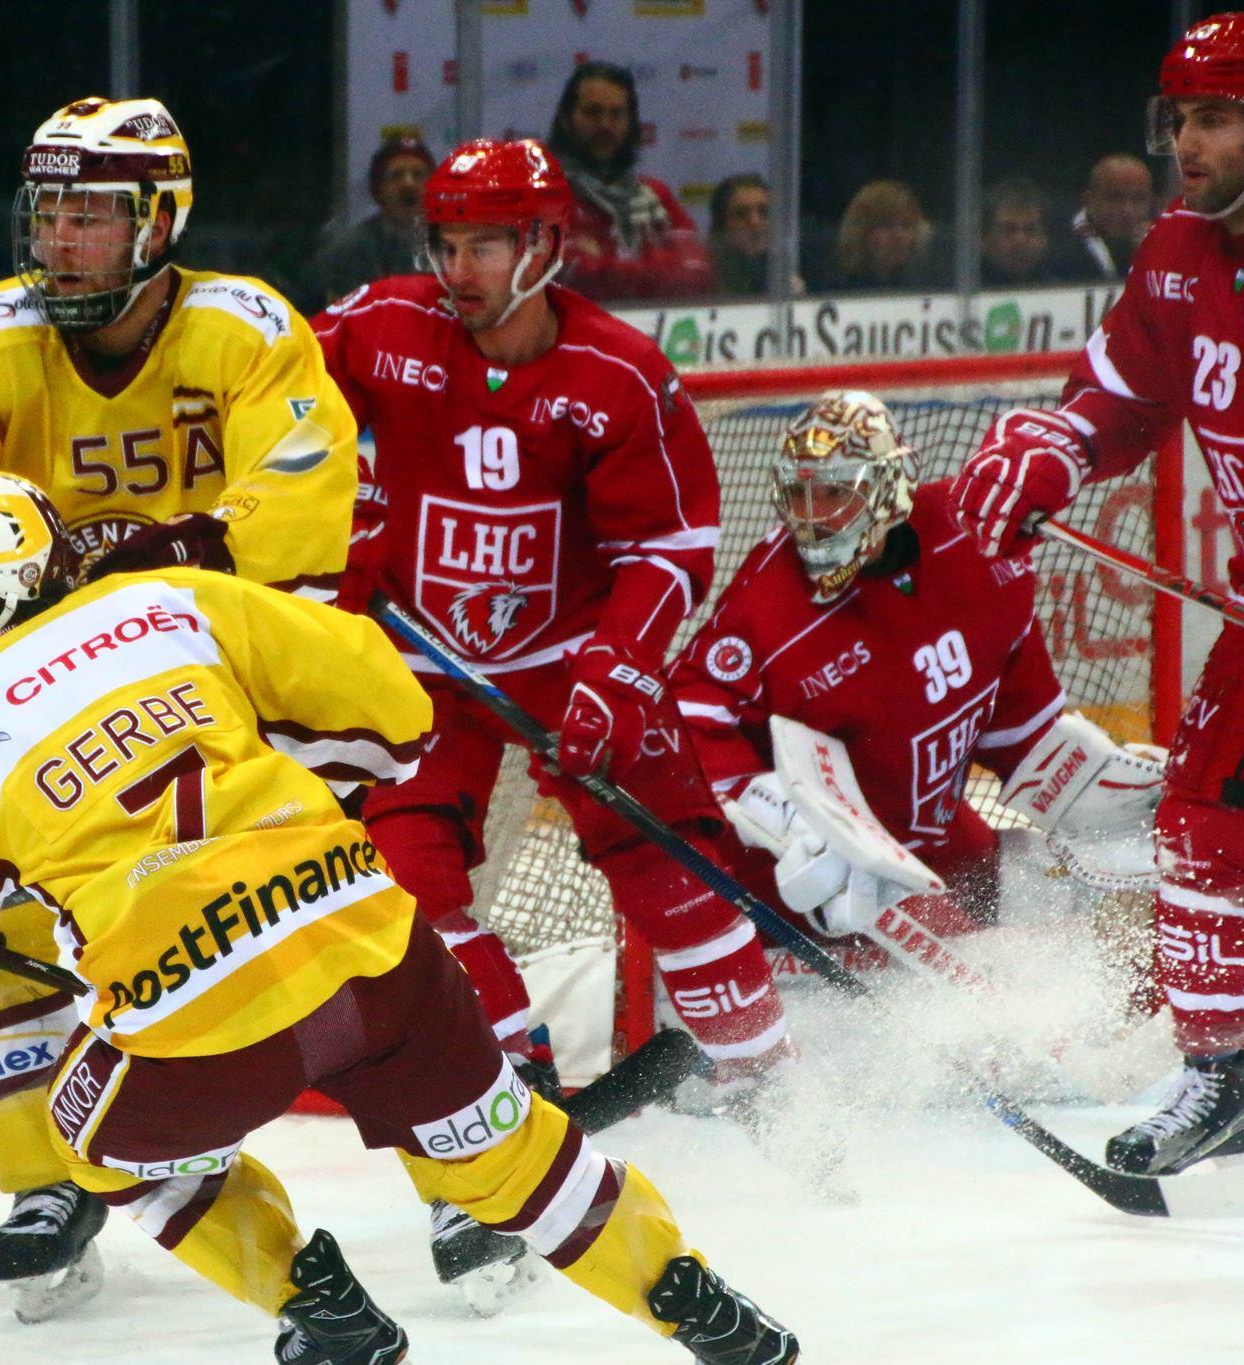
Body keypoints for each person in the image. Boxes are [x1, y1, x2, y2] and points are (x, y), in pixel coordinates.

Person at [0, 470, 800, 1365]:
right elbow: (391, 707)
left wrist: (1, 899)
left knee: (93, 1144)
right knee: (514, 1160)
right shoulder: (162, 601)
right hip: (375, 949)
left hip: (196, 1016)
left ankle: (321, 1312)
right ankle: (707, 1313)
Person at [0, 95, 358, 1321]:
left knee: (282, 911)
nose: (58, 240)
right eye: (46, 213)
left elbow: (309, 480)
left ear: (158, 220)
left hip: (207, 679)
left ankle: (426, 1131)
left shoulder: (239, 327)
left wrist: (192, 544)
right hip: (38, 691)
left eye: (90, 217)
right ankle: (46, 1182)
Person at [312, 138, 793, 1288]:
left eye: (482, 242)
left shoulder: (616, 372)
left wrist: (620, 670)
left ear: (541, 247)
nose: (456, 265)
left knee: (669, 868)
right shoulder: (383, 325)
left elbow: (669, 546)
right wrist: (346, 516)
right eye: (444, 241)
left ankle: (771, 1087)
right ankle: (507, 1093)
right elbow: (271, 396)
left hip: (574, 656)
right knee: (402, 881)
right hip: (425, 660)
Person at [949, 9, 1244, 1176]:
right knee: (1200, 835)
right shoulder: (1175, 248)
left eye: (1213, 118)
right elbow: (1115, 393)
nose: (1186, 142)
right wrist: (1052, 447)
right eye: (1179, 118)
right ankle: (1219, 1082)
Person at [669, 393, 1162, 1015]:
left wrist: (1078, 776)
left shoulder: (974, 538)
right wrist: (783, 819)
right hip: (825, 880)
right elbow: (689, 714)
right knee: (995, 1003)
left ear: (888, 486)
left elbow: (1012, 715)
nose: (813, 517)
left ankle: (1187, 1027)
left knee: (1109, 890)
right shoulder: (768, 604)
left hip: (932, 837)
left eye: (833, 492)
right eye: (798, 494)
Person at [546, 61, 715, 301]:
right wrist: (657, 262)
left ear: (631, 122)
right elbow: (574, 279)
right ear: (566, 119)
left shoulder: (654, 194)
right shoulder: (544, 196)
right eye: (593, 113)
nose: (605, 125)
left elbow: (696, 272)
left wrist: (607, 264)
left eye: (616, 114)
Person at [307, 133, 436, 307]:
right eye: (396, 175)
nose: (408, 184)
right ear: (378, 189)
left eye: (418, 175)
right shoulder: (346, 252)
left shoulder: (451, 246)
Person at [818, 179, 948, 293]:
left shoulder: (928, 287)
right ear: (860, 231)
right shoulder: (834, 289)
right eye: (885, 225)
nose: (898, 236)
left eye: (906, 226)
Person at [1053, 154, 1157, 282]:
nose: (1127, 210)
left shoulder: (1159, 239)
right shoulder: (1059, 247)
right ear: (1088, 199)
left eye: (1139, 199)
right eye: (1115, 198)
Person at [709, 173, 779, 297]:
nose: (755, 222)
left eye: (764, 212)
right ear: (721, 225)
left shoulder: (786, 269)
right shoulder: (705, 277)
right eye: (741, 214)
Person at [978, 178, 1055, 287]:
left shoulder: (1066, 292)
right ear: (983, 238)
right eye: (1008, 229)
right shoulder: (955, 296)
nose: (1020, 240)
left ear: (1046, 238)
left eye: (1031, 230)